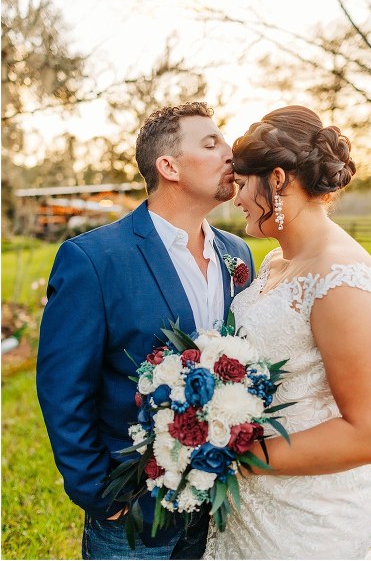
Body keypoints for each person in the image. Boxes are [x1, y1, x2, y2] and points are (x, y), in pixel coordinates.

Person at [37, 102, 255, 560]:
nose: (230, 153)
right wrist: (101, 495)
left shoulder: (238, 253)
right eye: (211, 144)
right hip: (133, 513)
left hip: (220, 505)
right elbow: (63, 388)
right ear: (168, 166)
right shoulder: (94, 259)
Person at [202, 105, 371, 560]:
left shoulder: (340, 276)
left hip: (309, 517)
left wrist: (233, 454)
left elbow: (368, 432)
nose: (236, 198)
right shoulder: (274, 261)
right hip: (251, 502)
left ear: (278, 179)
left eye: (243, 183)